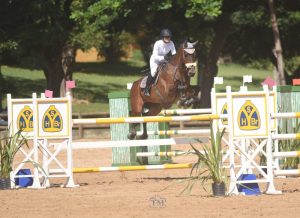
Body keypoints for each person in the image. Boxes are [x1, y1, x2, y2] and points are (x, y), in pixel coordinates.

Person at [144, 29, 176, 96]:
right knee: (153, 73)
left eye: (169, 37)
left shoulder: (171, 43)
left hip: (165, 60)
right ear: (163, 37)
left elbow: (174, 54)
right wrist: (163, 58)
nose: (168, 38)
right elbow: (155, 55)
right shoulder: (158, 43)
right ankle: (146, 89)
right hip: (155, 60)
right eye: (166, 37)